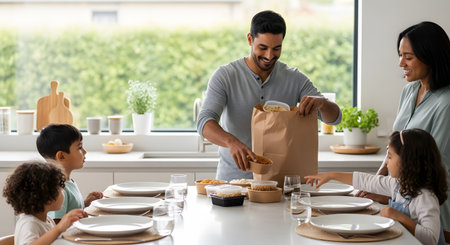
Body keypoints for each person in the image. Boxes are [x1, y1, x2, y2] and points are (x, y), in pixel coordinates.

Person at [196, 10, 341, 182]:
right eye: (263, 48)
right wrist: (231, 142)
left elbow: (335, 118)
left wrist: (323, 103)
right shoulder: (226, 75)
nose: (269, 56)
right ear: (250, 40)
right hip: (233, 183)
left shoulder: (294, 78)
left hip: (279, 184)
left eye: (276, 48)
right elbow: (204, 121)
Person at [357, 21, 450, 232]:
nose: (401, 63)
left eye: (408, 57)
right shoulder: (409, 91)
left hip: (429, 206)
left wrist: (390, 192)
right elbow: (393, 147)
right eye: (400, 55)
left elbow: (438, 165)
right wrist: (375, 181)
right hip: (400, 199)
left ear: (431, 57)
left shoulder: (446, 103)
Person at [306, 129, 448, 245]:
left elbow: (431, 239)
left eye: (390, 157)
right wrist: (332, 175)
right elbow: (368, 181)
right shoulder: (399, 184)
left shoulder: (425, 197)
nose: (386, 162)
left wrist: (398, 216)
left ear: (408, 161)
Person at [2, 161, 87, 245]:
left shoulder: (46, 219)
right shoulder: (29, 223)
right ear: (46, 196)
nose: (63, 191)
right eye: (60, 188)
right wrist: (58, 228)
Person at [36, 124, 103, 223]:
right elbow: (56, 223)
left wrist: (85, 203)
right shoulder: (58, 188)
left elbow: (69, 212)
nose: (85, 152)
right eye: (79, 147)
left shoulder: (67, 182)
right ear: (62, 156)